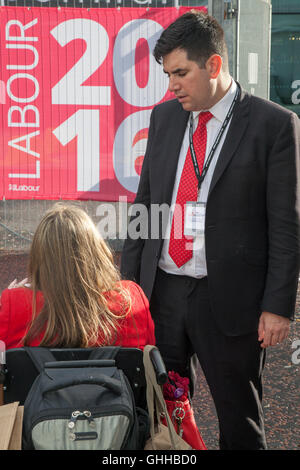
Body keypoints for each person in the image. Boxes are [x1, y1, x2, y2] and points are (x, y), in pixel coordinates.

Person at [121, 10, 300, 450]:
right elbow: (144, 206)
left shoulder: (273, 126)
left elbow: (286, 225)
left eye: (181, 73)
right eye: (168, 74)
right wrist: (129, 289)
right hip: (163, 293)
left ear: (214, 65)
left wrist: (278, 306)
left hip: (232, 301)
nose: (172, 85)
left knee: (239, 420)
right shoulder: (164, 119)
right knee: (161, 411)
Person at [0, 203, 155, 351]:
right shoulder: (131, 299)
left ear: (39, 258)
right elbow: (148, 354)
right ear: (96, 250)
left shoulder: (13, 305)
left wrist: (12, 301)